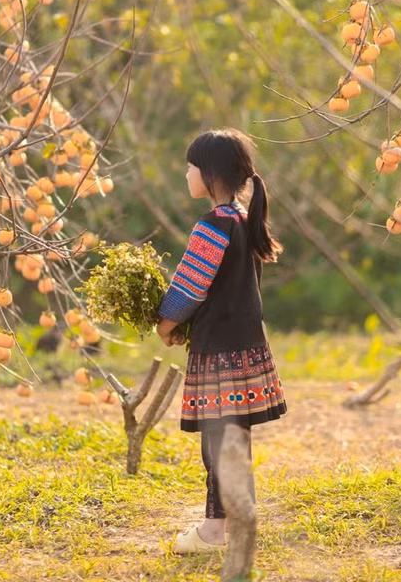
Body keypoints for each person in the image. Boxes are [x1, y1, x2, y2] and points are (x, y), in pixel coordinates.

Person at [155, 128, 287, 554]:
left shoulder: (212, 226)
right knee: (234, 439)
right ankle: (239, 523)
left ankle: (213, 532)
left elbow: (190, 287)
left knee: (218, 441)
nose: (186, 173)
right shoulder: (244, 220)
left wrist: (167, 324)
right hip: (246, 346)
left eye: (190, 166)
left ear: (209, 174)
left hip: (220, 354)